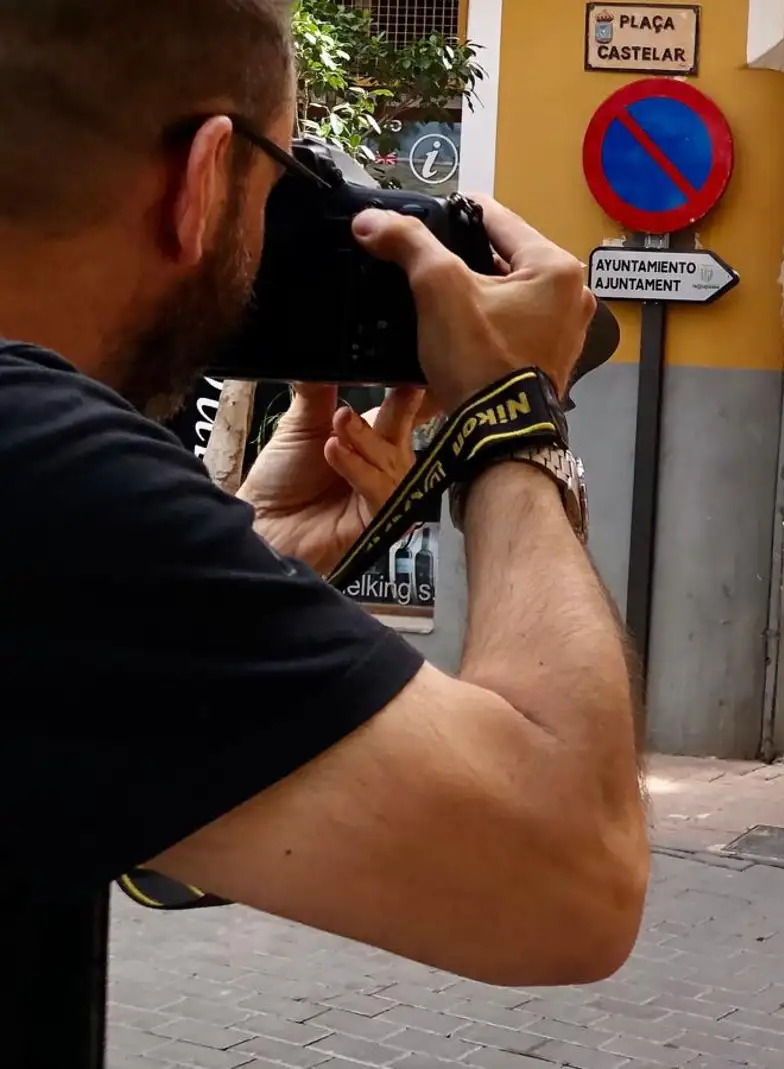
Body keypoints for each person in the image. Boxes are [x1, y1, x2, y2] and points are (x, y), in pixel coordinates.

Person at [0, 0, 648, 991]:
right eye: (283, 186)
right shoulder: (40, 469)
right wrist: (510, 419)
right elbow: (575, 876)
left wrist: (244, 563)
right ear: (204, 176)